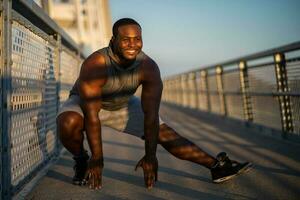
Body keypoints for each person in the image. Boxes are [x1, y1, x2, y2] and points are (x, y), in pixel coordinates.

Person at [56, 18, 252, 190]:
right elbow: (92, 117)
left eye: (137, 39)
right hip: (87, 104)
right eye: (125, 40)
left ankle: (217, 167)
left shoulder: (148, 67)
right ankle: (80, 159)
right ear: (112, 41)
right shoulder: (95, 65)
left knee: (165, 134)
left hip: (122, 104)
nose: (132, 44)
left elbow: (150, 116)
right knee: (68, 122)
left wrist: (150, 156)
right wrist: (96, 158)